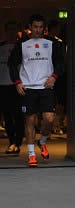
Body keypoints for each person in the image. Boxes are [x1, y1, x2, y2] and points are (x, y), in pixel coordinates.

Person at [8, 14, 65, 167]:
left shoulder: (52, 43)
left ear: (44, 29)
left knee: (49, 119)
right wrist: (18, 82)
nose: (38, 30)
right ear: (30, 27)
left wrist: (54, 76)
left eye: (41, 27)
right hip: (28, 88)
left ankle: (43, 141)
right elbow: (12, 64)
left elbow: (61, 62)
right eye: (35, 27)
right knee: (30, 121)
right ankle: (32, 155)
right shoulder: (22, 44)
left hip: (46, 87)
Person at [0, 22, 24, 154]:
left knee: (19, 115)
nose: (11, 32)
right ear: (5, 31)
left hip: (18, 85)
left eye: (14, 29)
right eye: (9, 29)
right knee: (7, 115)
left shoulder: (21, 46)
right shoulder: (1, 47)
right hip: (3, 85)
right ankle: (11, 142)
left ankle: (18, 141)